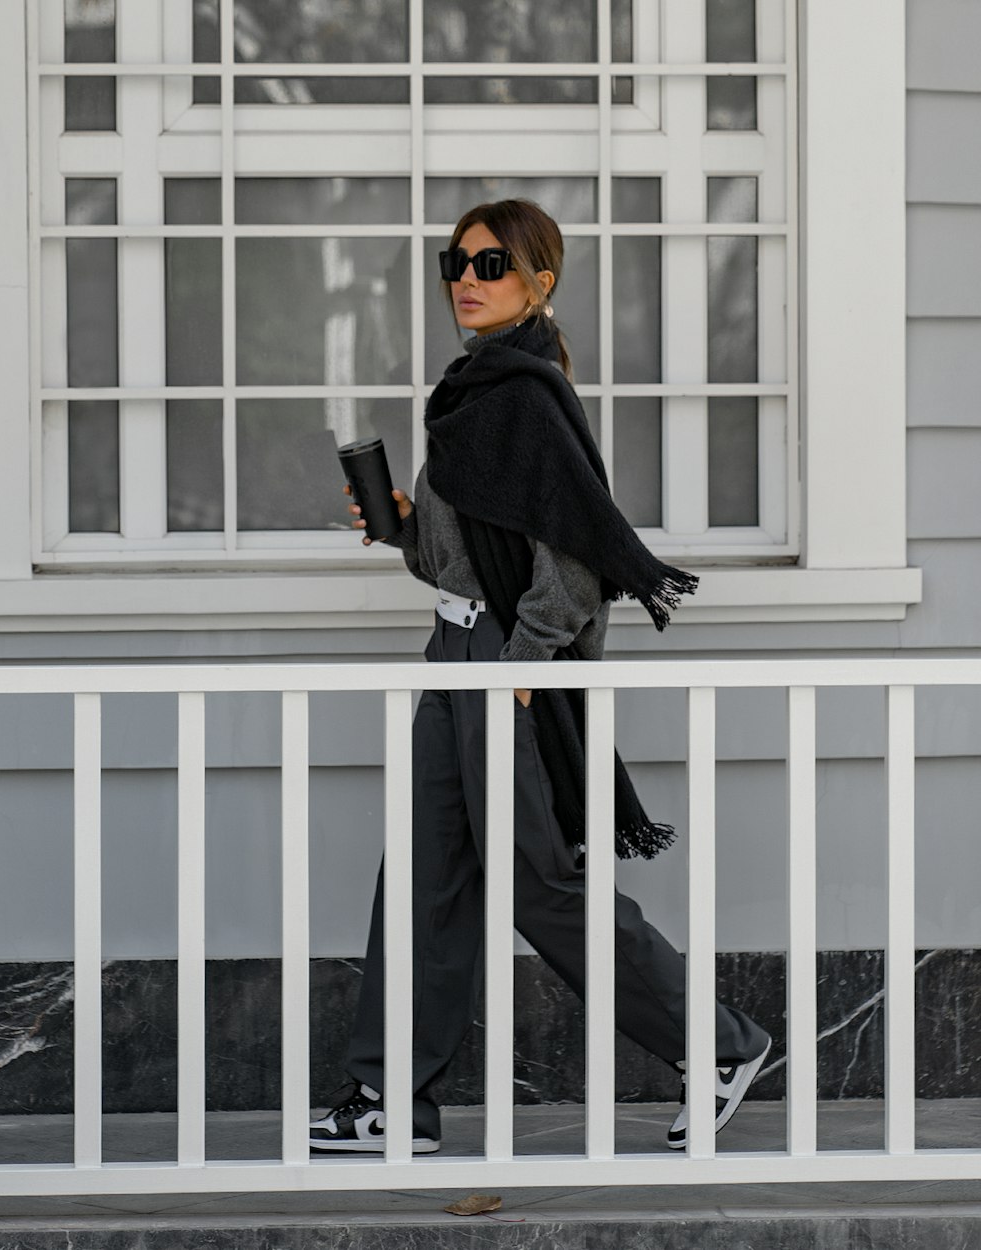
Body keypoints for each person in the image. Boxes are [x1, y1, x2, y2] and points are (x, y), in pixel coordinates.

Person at [310, 199, 770, 1155]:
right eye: (455, 263)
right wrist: (408, 525)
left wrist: (522, 669)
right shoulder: (470, 394)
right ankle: (389, 1098)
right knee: (424, 879)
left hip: (503, 666)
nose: (466, 280)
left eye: (490, 263)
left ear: (538, 280)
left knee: (538, 885)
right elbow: (461, 566)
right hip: (452, 655)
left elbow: (573, 561)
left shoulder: (524, 395)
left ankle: (719, 1046)